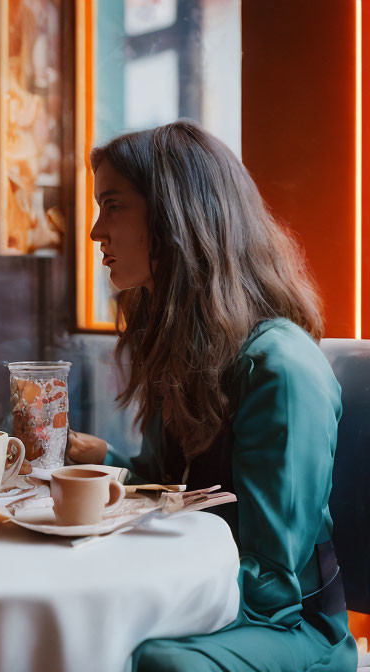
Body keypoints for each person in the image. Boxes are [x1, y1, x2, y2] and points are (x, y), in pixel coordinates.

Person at [67, 120, 358, 671]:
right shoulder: (178, 344)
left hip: (294, 629)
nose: (95, 231)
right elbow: (169, 489)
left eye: (113, 205)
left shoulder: (282, 369)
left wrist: (130, 590)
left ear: (174, 214)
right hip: (219, 596)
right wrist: (100, 464)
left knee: (157, 663)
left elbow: (274, 585)